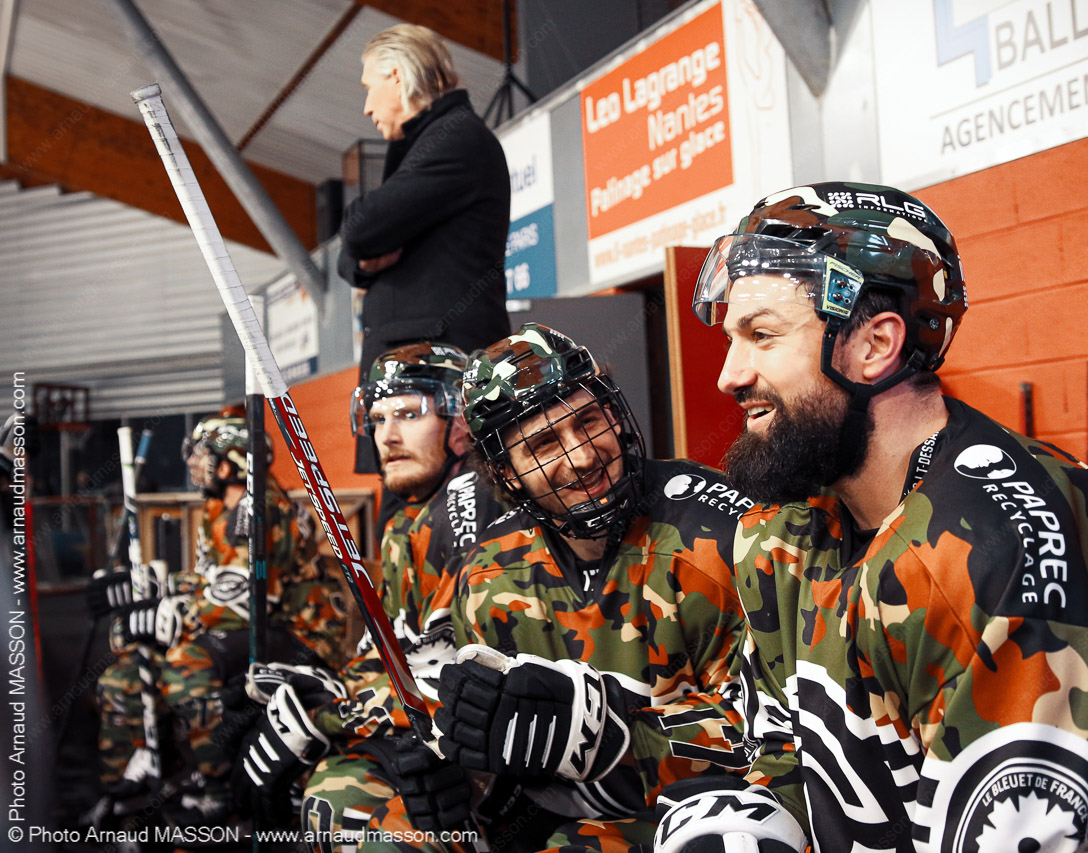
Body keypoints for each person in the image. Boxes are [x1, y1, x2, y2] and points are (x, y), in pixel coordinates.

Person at [652, 183, 1088, 853]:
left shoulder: (998, 546)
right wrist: (747, 824)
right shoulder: (788, 525)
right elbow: (781, 748)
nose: (729, 374)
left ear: (875, 344)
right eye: (732, 339)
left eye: (762, 336)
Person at [367, 324, 751, 851]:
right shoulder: (487, 575)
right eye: (544, 444)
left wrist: (615, 738)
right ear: (506, 473)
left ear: (614, 414)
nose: (582, 458)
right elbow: (502, 754)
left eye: (588, 422)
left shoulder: (720, 536)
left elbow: (777, 729)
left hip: (704, 815)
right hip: (563, 818)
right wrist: (470, 777)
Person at [215, 343, 505, 844]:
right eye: (377, 419)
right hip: (427, 729)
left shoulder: (473, 502)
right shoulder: (402, 525)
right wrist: (322, 689)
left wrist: (323, 717)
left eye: (409, 414)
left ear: (460, 421)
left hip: (488, 751)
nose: (386, 436)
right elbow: (393, 650)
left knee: (341, 805)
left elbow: (461, 676)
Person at [91, 409, 343, 825]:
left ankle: (223, 787)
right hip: (254, 623)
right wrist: (161, 586)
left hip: (298, 633)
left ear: (231, 462)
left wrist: (171, 614)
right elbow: (216, 580)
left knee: (185, 665)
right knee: (123, 676)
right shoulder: (219, 507)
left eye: (202, 454)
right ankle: (147, 773)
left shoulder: (259, 508)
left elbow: (245, 598)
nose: (193, 463)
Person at [339, 22, 512, 480]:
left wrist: (363, 243)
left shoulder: (455, 139)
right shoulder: (431, 142)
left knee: (451, 512)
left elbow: (359, 231)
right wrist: (363, 254)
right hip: (420, 382)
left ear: (397, 75)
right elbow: (354, 251)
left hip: (438, 382)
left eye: (369, 87)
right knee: (410, 517)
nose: (367, 106)